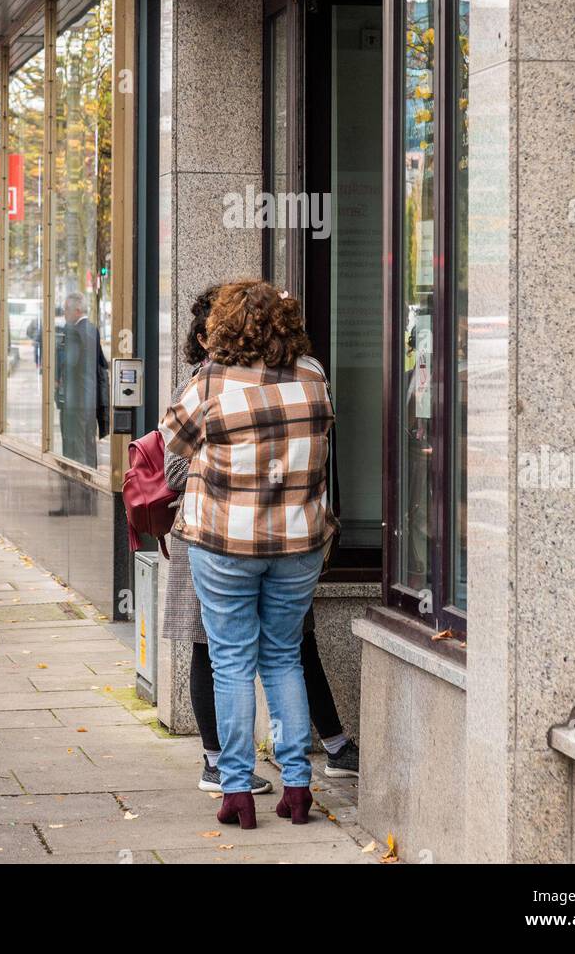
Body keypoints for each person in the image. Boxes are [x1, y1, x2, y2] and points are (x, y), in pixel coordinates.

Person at [162, 285, 359, 796]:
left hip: (224, 542)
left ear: (222, 328)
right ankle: (297, 786)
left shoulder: (208, 382)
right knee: (283, 656)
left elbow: (173, 449)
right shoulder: (313, 374)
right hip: (298, 543)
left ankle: (235, 789)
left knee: (229, 661)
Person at [54, 291, 109, 468]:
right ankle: (91, 478)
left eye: (66, 310)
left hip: (76, 400)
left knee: (76, 448)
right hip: (91, 399)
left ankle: (79, 486)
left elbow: (69, 363)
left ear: (77, 310)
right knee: (89, 444)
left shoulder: (74, 332)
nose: (64, 314)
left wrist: (58, 376)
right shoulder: (93, 329)